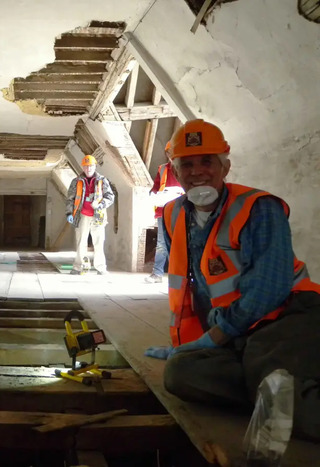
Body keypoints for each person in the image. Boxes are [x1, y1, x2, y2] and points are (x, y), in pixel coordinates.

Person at [145, 119, 320, 441]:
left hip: (288, 316)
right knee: (182, 374)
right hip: (238, 334)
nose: (198, 171)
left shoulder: (259, 208)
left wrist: (218, 334)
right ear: (176, 170)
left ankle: (275, 388)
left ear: (225, 167)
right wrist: (190, 344)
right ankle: (272, 389)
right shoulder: (172, 215)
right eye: (188, 164)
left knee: (267, 371)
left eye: (207, 161)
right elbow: (193, 283)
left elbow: (270, 287)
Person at [65, 155, 115, 275]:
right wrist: (69, 212)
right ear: (83, 167)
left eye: (91, 166)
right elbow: (70, 199)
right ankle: (77, 267)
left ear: (95, 166)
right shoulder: (76, 181)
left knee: (99, 242)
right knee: (81, 241)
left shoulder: (102, 181)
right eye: (86, 166)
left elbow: (110, 196)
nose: (88, 169)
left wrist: (101, 204)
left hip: (98, 216)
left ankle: (101, 268)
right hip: (82, 215)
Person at [145, 142, 184, 283]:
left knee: (181, 243)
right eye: (169, 152)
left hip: (182, 211)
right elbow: (155, 188)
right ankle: (157, 274)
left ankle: (182, 276)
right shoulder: (162, 169)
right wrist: (154, 195)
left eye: (174, 152)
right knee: (162, 243)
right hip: (163, 211)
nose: (171, 155)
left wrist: (179, 193)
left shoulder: (185, 168)